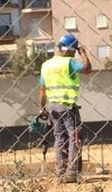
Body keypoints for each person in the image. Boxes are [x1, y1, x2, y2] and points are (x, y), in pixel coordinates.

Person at [38, 33, 92, 182]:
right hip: (68, 107)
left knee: (60, 138)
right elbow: (87, 69)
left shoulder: (46, 65)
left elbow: (42, 90)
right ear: (69, 49)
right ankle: (73, 172)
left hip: (53, 107)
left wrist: (42, 109)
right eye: (74, 50)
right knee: (75, 138)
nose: (74, 53)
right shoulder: (69, 62)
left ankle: (61, 171)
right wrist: (83, 53)